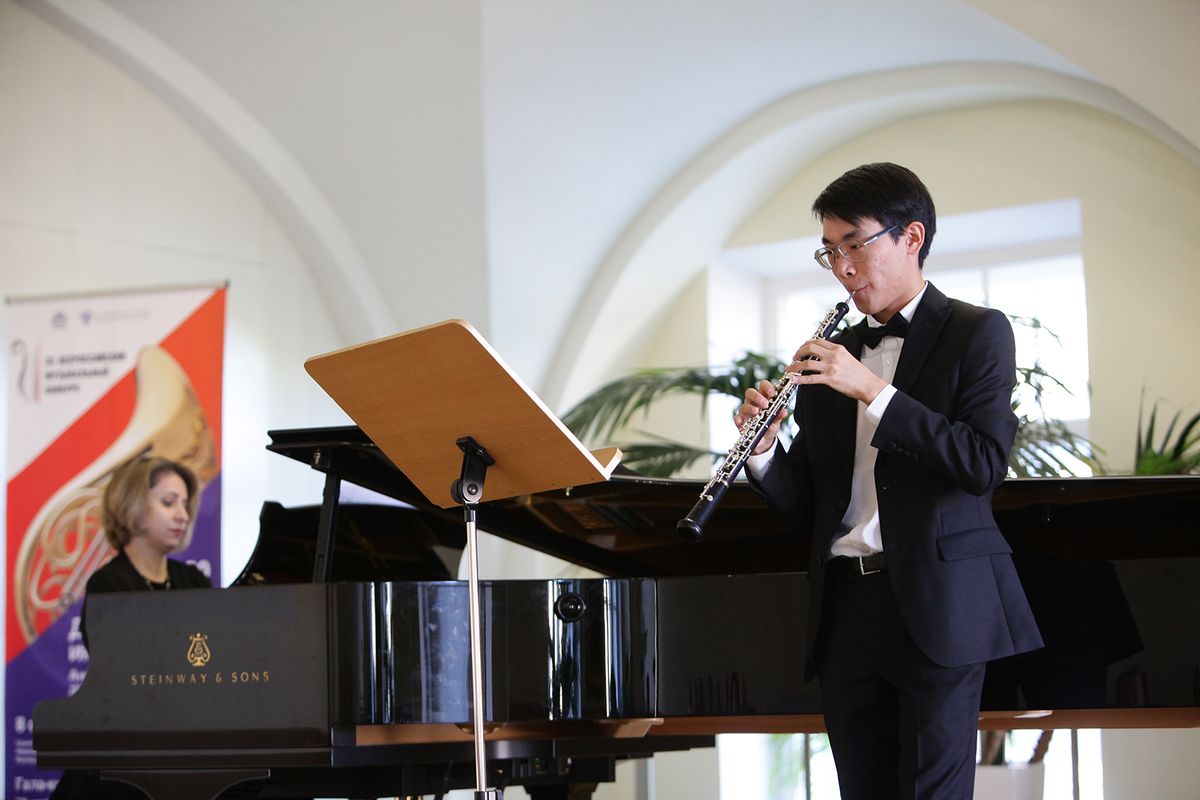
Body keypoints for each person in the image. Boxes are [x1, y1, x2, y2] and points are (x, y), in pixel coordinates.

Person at [737, 163, 1042, 799]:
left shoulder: (978, 332)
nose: (842, 267)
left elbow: (982, 463)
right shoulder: (830, 357)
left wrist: (873, 390)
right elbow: (810, 506)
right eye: (830, 251)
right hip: (844, 611)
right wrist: (764, 454)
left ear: (912, 237)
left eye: (855, 244)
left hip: (938, 606)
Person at [51, 455, 211, 800]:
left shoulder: (194, 580)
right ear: (134, 506)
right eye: (168, 502)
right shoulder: (108, 584)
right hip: (124, 742)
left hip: (186, 737)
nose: (183, 515)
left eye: (185, 504)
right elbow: (125, 670)